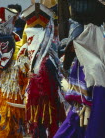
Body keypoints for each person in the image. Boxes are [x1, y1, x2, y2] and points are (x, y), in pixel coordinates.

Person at [54, 0, 105, 138]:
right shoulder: (92, 65)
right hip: (84, 118)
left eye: (76, 40)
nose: (73, 45)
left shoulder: (96, 66)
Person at [17, 3, 65, 137]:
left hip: (40, 96)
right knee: (44, 121)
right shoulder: (43, 57)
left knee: (42, 123)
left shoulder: (48, 56)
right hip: (39, 96)